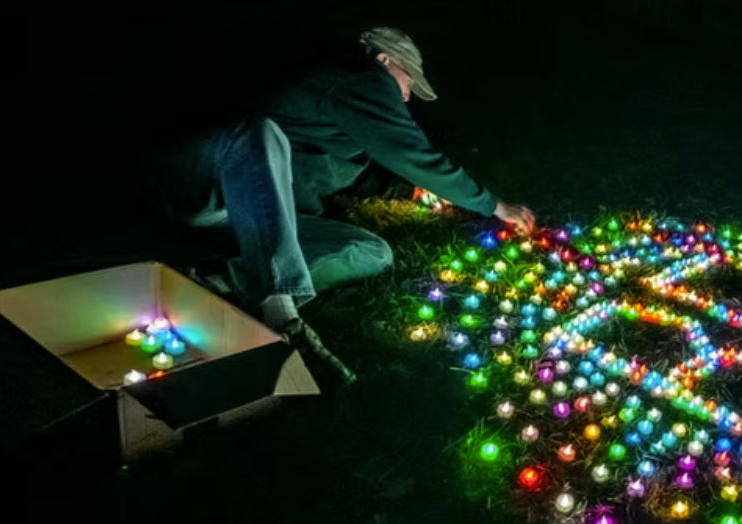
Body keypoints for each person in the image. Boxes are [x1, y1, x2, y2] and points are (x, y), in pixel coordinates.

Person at [156, 26, 535, 386]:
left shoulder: (336, 104)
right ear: (385, 60)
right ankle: (282, 320)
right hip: (202, 187)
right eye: (408, 82)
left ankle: (214, 282)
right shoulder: (357, 76)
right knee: (258, 133)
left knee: (372, 252)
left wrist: (407, 192)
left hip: (255, 219)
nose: (406, 96)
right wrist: (493, 204)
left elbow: (341, 167)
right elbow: (410, 151)